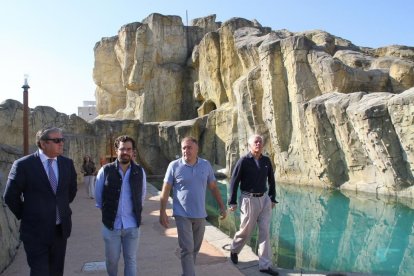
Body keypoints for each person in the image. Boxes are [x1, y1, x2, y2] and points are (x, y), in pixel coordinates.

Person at [3, 127, 77, 276]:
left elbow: (70, 192)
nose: (61, 143)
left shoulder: (67, 163)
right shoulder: (23, 165)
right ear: (43, 144)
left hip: (59, 230)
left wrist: (58, 208)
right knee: (40, 272)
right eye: (56, 140)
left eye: (62, 140)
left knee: (56, 271)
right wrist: (27, 214)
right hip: (35, 232)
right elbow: (10, 196)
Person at [159, 136, 227, 276]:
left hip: (200, 214)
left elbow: (213, 187)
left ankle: (187, 273)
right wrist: (162, 212)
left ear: (197, 150)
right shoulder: (174, 166)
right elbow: (165, 189)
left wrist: (221, 206)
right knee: (187, 249)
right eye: (184, 147)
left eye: (189, 147)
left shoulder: (205, 165)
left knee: (195, 249)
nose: (186, 150)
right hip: (181, 214)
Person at [95, 135, 146, 276]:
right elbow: (99, 198)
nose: (125, 152)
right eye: (122, 149)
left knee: (130, 260)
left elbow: (141, 196)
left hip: (132, 226)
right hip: (111, 226)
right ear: (116, 150)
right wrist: (109, 214)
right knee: (112, 261)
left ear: (133, 151)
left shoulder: (139, 172)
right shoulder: (105, 171)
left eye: (129, 149)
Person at [228, 134, 278, 276]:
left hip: (264, 200)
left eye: (260, 142)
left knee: (265, 232)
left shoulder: (266, 160)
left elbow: (272, 181)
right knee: (246, 230)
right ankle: (234, 249)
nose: (258, 144)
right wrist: (232, 201)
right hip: (248, 200)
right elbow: (234, 181)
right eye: (256, 142)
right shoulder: (243, 161)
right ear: (249, 145)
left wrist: (272, 198)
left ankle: (265, 265)